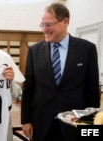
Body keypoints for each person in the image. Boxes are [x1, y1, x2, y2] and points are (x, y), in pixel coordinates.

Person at [21, 3, 100, 141]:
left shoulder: (87, 49)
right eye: (42, 25)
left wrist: (90, 127)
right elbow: (28, 88)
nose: (44, 30)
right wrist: (26, 120)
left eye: (49, 24)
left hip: (74, 123)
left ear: (65, 22)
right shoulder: (34, 51)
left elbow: (92, 91)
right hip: (42, 123)